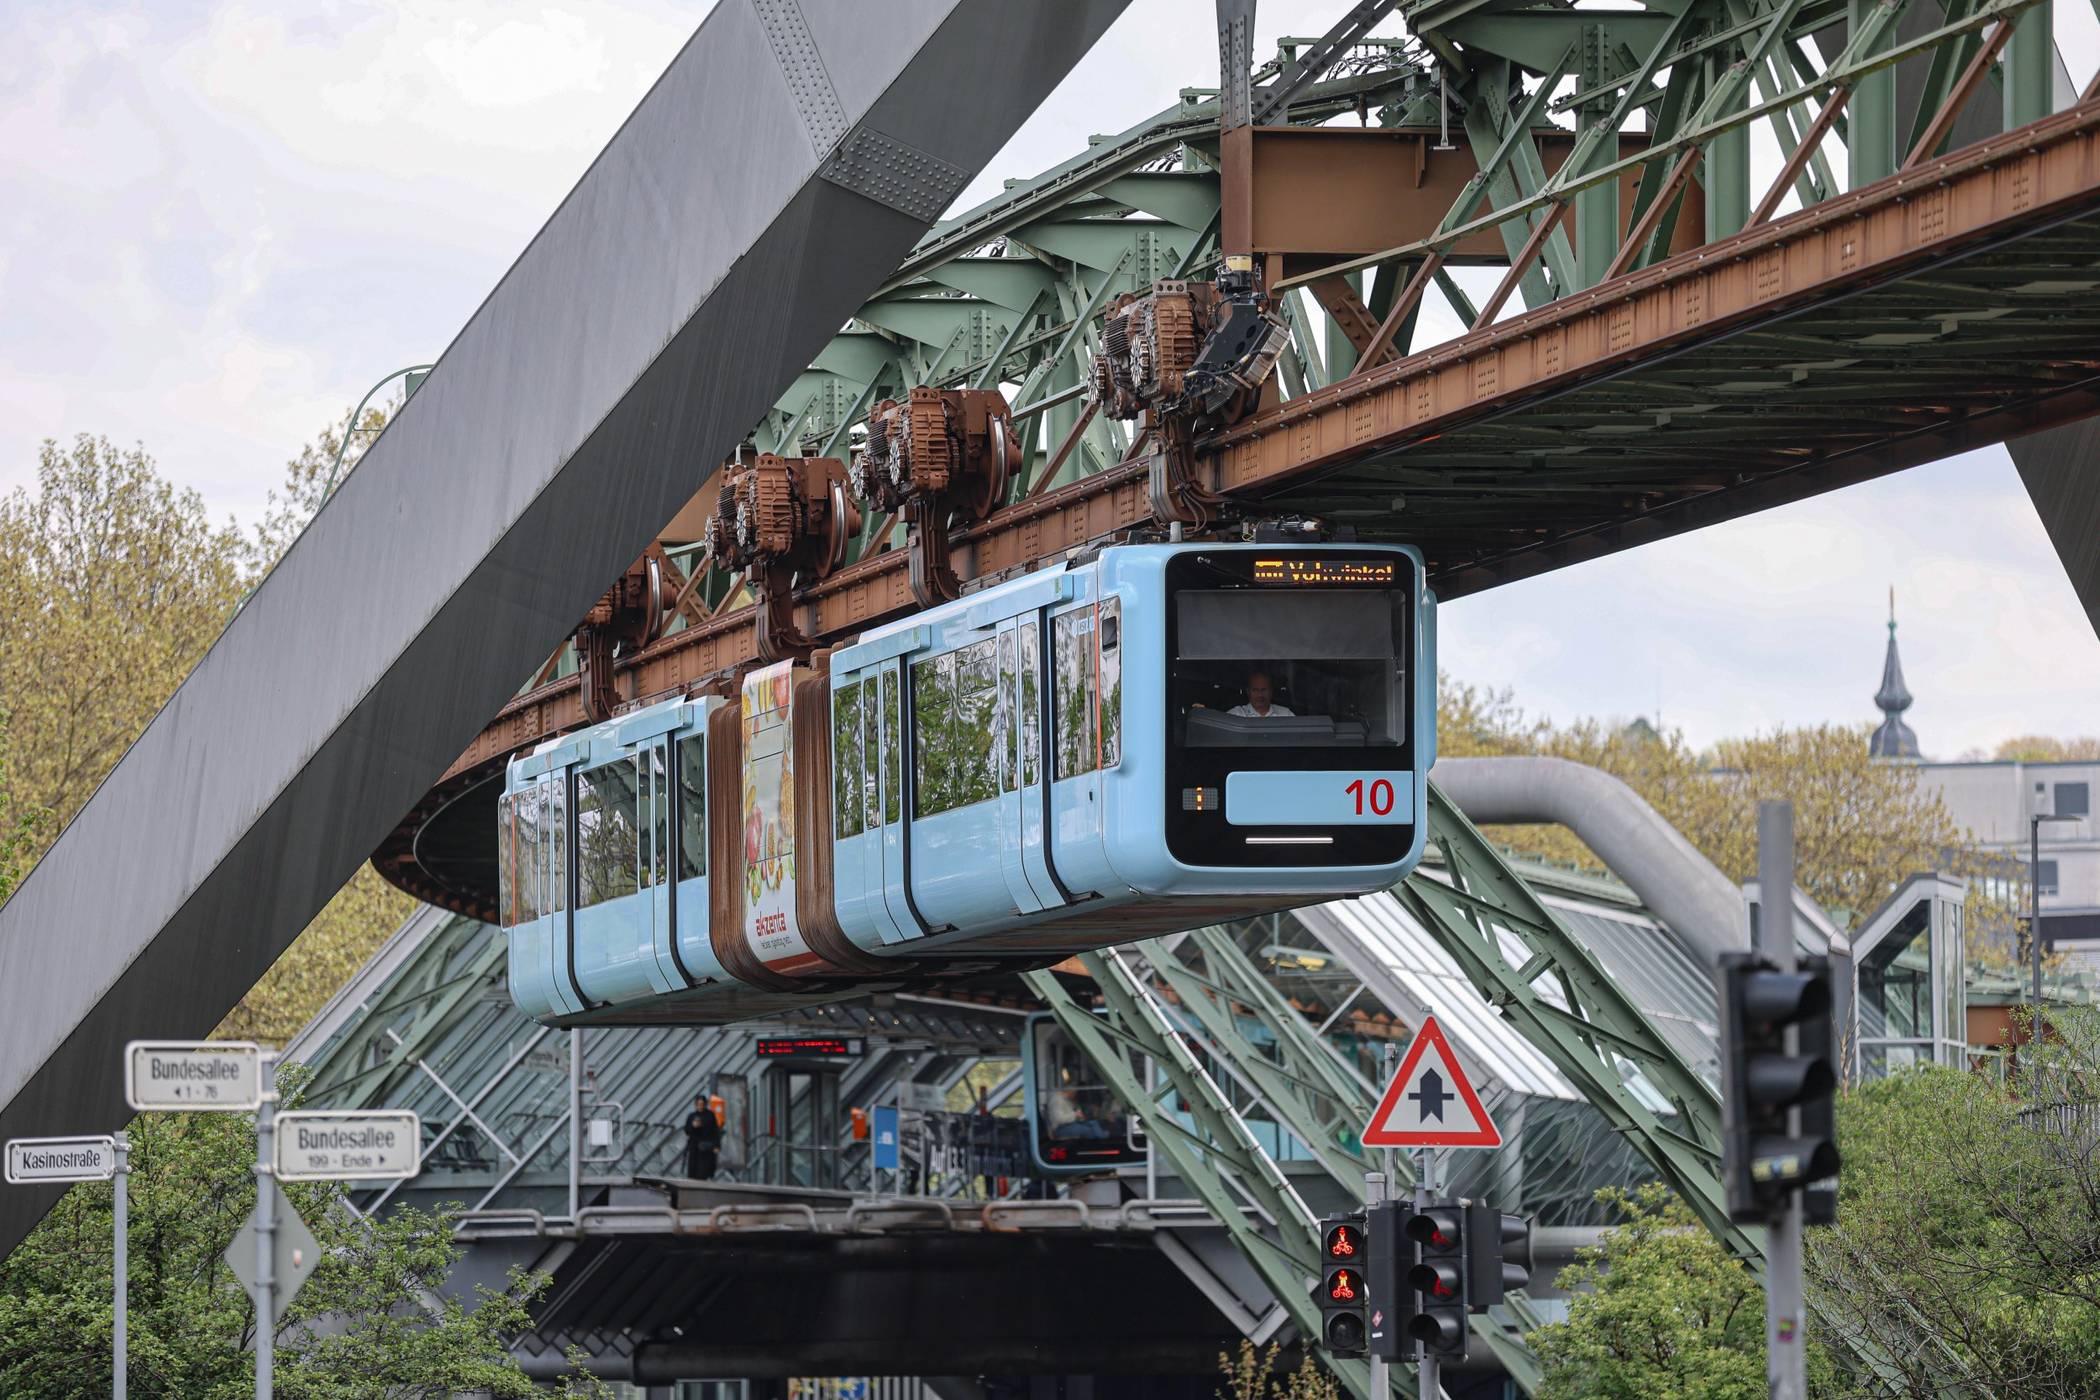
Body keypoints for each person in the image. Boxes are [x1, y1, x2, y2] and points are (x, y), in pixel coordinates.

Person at [683, 1093, 722, 1180]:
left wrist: (717, 1145)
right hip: (694, 1148)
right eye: (698, 1104)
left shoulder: (710, 1115)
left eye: (702, 1104)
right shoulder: (692, 1116)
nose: (700, 1106)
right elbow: (687, 1130)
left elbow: (715, 1131)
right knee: (692, 1171)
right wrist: (693, 1126)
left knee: (703, 1171)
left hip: (705, 1148)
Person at [1228, 669, 1294, 718]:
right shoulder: (1235, 715)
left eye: (1264, 690)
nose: (1260, 695)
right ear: (1248, 692)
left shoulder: (1286, 714)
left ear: (1271, 692)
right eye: (1255, 690)